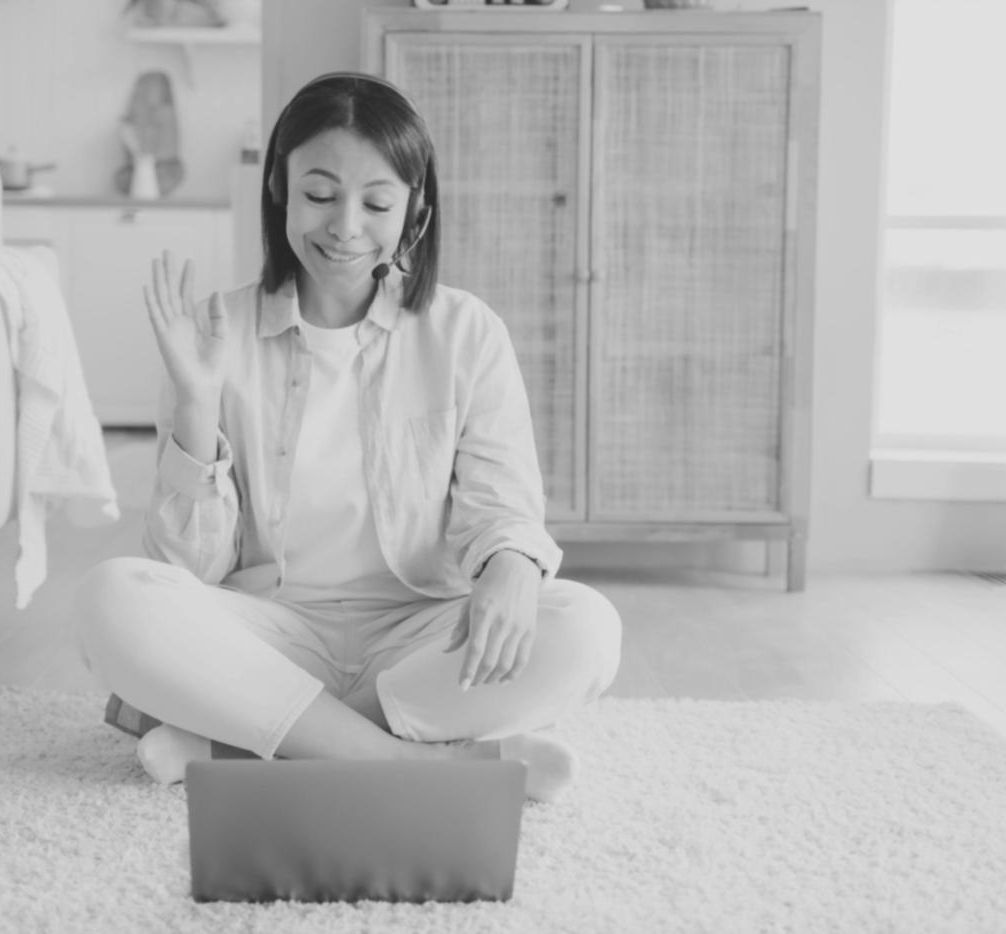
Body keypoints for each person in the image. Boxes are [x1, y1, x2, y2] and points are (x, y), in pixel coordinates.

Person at [74, 72, 622, 802]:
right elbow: (186, 568)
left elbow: (505, 507)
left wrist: (513, 573)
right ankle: (414, 763)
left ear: (415, 209)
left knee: (585, 627)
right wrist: (197, 407)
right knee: (113, 596)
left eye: (376, 202)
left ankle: (246, 743)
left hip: (420, 633)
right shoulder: (214, 333)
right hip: (270, 631)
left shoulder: (466, 333)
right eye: (322, 195)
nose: (345, 227)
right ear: (280, 186)